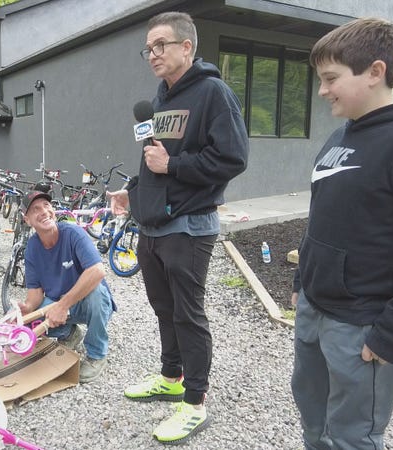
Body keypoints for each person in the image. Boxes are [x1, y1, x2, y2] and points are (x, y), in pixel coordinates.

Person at [290, 17, 393, 450]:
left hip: (361, 326)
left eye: (331, 78)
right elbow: (320, 216)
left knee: (352, 436)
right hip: (315, 312)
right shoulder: (341, 135)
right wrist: (303, 281)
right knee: (313, 420)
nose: (322, 91)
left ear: (376, 72)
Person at [107, 11, 248, 445]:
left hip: (189, 226)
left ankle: (194, 402)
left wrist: (175, 165)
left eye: (161, 45)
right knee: (163, 308)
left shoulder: (213, 93)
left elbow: (233, 158)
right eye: (148, 48)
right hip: (152, 224)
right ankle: (171, 376)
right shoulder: (160, 99)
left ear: (187, 47)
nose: (153, 54)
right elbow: (151, 157)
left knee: (189, 313)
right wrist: (133, 190)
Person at [17, 187, 115, 383]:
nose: (44, 211)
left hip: (86, 303)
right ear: (26, 219)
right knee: (27, 319)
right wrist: (25, 310)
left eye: (46, 205)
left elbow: (98, 271)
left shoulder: (72, 233)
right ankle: (70, 333)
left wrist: (62, 306)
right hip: (61, 306)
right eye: (35, 209)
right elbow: (35, 294)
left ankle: (97, 355)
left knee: (97, 293)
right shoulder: (32, 249)